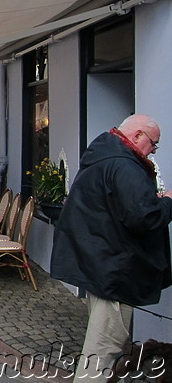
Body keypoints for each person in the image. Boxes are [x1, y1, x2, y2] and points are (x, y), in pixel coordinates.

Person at [51, 114, 172, 382]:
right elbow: (144, 217)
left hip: (100, 265)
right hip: (115, 270)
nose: (153, 150)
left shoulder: (104, 156)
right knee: (103, 350)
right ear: (138, 135)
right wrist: (167, 203)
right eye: (154, 143)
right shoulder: (124, 165)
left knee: (101, 344)